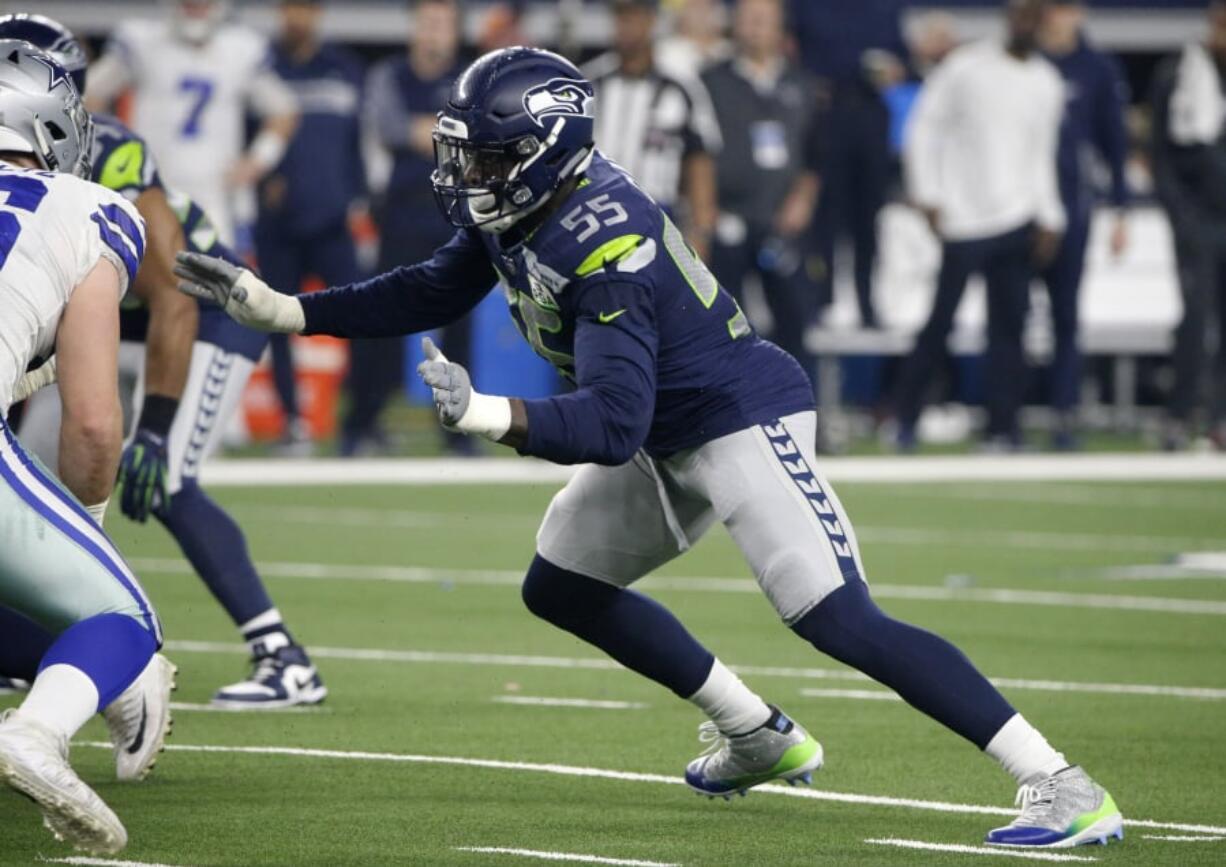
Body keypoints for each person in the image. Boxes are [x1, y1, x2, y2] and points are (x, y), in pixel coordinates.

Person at [177, 45, 1124, 849]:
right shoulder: (526, 207)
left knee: (835, 616)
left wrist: (482, 415)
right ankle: (755, 731)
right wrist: (285, 308)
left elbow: (612, 424)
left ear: (542, 154)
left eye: (485, 156)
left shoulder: (605, 239)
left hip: (735, 414)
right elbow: (433, 288)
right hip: (665, 423)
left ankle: (1058, 780)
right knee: (562, 585)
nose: (466, 175)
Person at [8, 15, 327, 710]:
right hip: (111, 325)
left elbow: (173, 298)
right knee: (32, 472)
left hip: (203, 312)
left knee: (170, 476)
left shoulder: (112, 154)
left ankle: (284, 656)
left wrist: (152, 424)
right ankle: (25, 643)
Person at [0, 41, 169, 855]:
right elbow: (96, 418)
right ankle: (36, 732)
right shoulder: (85, 206)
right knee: (122, 615)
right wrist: (88, 532)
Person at [893, 0, 1066, 450]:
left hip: (1018, 219)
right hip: (963, 219)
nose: (1027, 23)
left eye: (1035, 16)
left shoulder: (1046, 82)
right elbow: (923, 127)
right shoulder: (965, 67)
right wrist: (927, 193)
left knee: (1010, 331)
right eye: (1021, 14)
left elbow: (1041, 154)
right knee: (939, 324)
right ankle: (903, 420)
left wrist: (1050, 215)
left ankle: (1002, 429)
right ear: (1009, 18)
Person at [84, 0, 299, 247]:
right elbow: (90, 95)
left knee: (217, 275)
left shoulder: (241, 48)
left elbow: (283, 110)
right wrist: (109, 149)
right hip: (150, 187)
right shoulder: (142, 40)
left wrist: (258, 160)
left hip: (215, 192)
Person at [352, 0, 467, 456]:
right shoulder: (389, 75)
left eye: (443, 24)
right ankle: (361, 422)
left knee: (458, 327)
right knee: (382, 316)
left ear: (455, 32)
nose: (435, 33)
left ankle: (459, 430)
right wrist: (442, 131)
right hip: (400, 212)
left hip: (454, 215)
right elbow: (391, 127)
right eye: (428, 23)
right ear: (415, 29)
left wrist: (427, 131)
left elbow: (472, 133)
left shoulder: (467, 77)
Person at [256, 0, 366, 455]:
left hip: (333, 220)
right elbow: (244, 137)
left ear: (317, 14)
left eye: (305, 8)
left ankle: (355, 423)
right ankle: (293, 422)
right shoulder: (260, 67)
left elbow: (360, 141)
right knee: (275, 322)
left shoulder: (345, 69)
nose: (297, 18)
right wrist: (264, 178)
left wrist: (358, 197)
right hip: (278, 224)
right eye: (290, 8)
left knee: (362, 318)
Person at [702, 0, 822, 377]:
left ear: (780, 28)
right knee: (723, 325)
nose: (754, 27)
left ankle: (803, 416)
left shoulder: (801, 84)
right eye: (747, 18)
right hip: (728, 219)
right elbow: (696, 152)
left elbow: (816, 154)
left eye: (764, 20)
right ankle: (727, 422)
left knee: (795, 322)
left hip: (781, 221)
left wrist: (802, 199)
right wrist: (705, 215)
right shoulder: (710, 81)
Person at [1039, 0, 1131, 450]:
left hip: (1072, 208)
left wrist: (1121, 210)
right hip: (1021, 210)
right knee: (1011, 314)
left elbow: (1114, 142)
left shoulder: (1095, 68)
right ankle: (1007, 419)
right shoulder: (1024, 61)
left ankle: (1063, 413)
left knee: (1066, 314)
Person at [789, 0, 908, 327]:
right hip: (828, 116)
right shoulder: (809, 8)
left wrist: (895, 69)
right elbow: (792, 48)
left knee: (867, 220)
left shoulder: (884, 8)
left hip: (871, 118)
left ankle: (867, 302)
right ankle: (820, 298)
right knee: (826, 218)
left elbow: (902, 56)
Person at [583, 0, 719, 258]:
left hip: (657, 214)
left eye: (634, 17)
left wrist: (701, 230)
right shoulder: (588, 83)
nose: (627, 27)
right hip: (593, 215)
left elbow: (699, 159)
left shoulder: (681, 87)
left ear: (651, 21)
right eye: (621, 17)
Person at [1150, 1, 1226, 451]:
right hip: (1197, 217)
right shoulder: (1181, 71)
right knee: (1196, 321)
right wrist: (1179, 212)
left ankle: (1219, 416)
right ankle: (1179, 416)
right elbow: (1161, 151)